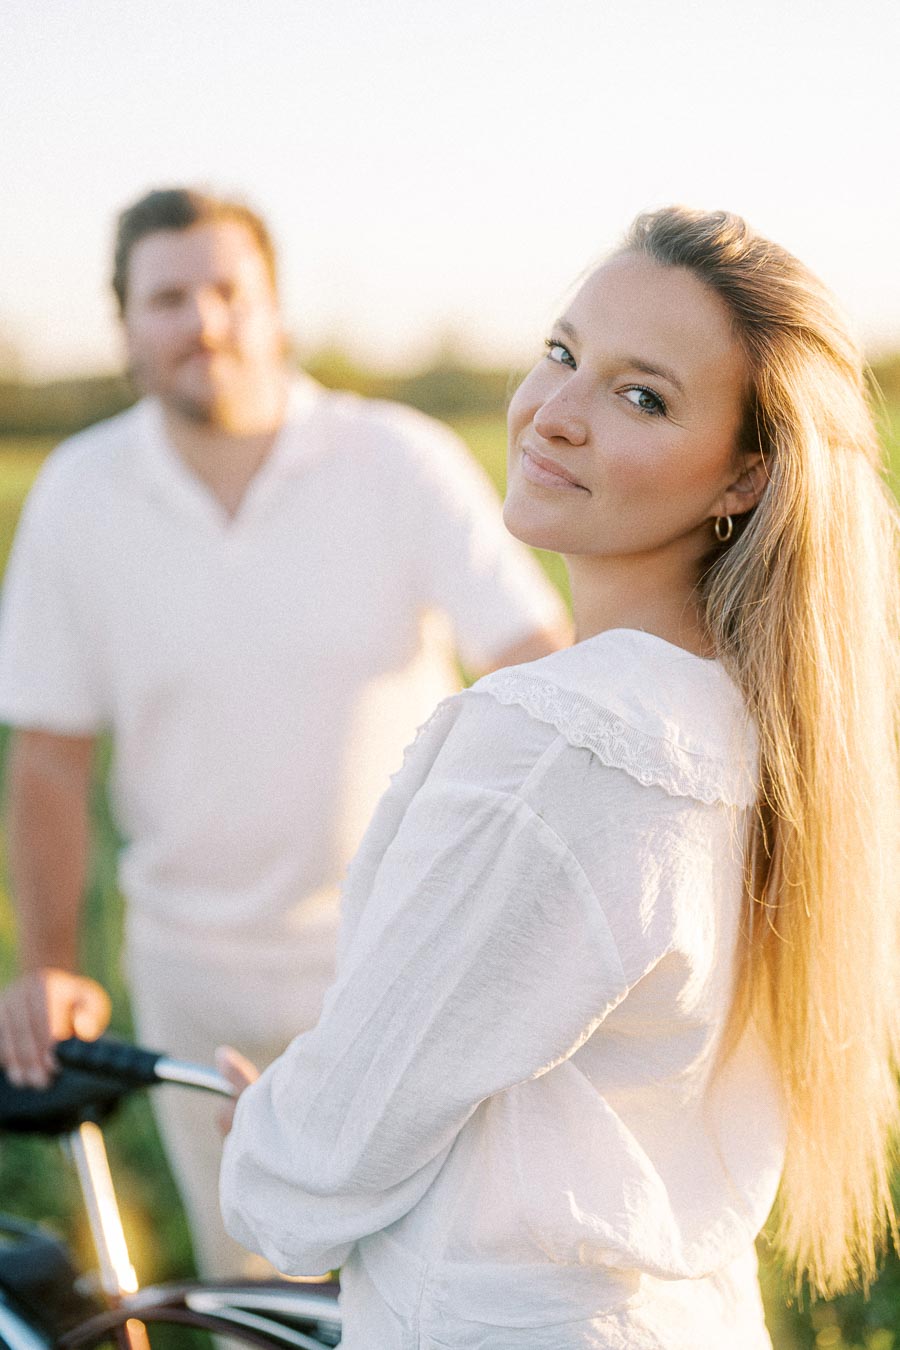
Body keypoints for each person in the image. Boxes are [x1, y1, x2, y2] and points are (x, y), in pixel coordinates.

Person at [220, 207, 900, 1349]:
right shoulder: (757, 729)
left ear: (743, 477)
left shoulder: (567, 743)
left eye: (643, 397)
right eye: (563, 352)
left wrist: (270, 1139)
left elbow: (324, 1167)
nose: (554, 414)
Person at [0, 187, 569, 1279]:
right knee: (255, 1289)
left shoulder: (396, 459)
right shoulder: (80, 493)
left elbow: (536, 667)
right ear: (125, 327)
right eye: (168, 297)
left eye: (228, 291)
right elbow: (49, 758)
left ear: (278, 315)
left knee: (434, 1285)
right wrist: (49, 968)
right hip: (192, 973)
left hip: (406, 957)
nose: (203, 322)